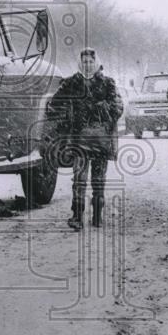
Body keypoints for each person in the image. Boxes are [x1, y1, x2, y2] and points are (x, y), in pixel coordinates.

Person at [47, 48, 124, 230]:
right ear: (80, 64)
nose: (87, 65)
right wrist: (68, 116)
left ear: (96, 63)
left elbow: (118, 108)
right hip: (78, 138)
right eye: (84, 62)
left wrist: (100, 109)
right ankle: (77, 216)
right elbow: (54, 106)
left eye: (90, 62)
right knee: (79, 179)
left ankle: (97, 216)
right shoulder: (71, 83)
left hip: (100, 139)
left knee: (98, 179)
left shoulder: (107, 83)